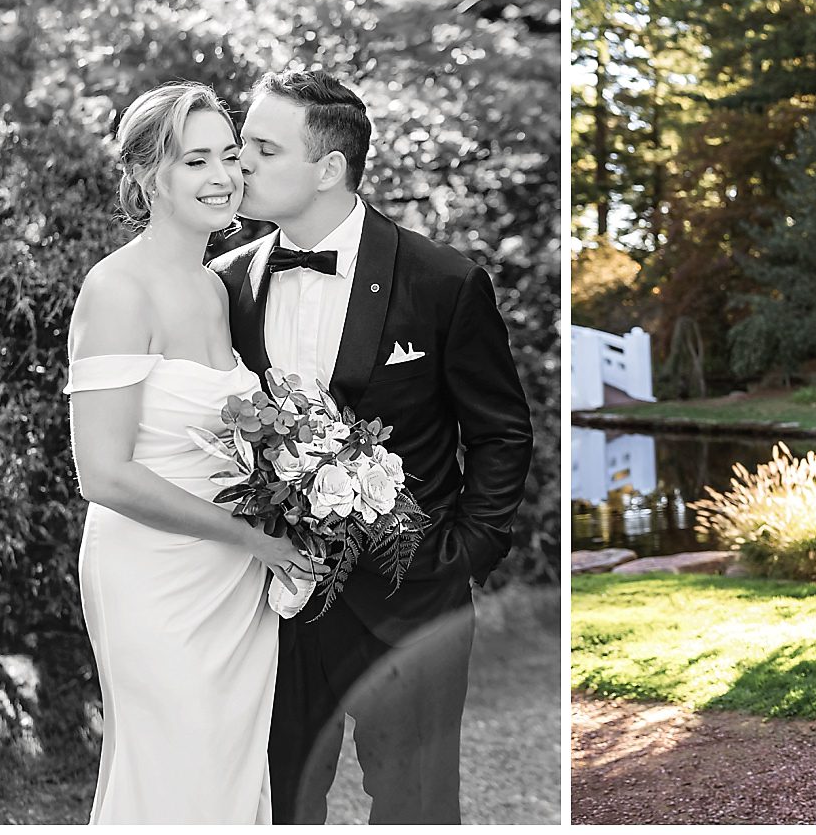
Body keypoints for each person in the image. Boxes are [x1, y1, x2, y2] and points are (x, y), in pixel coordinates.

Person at [209, 69, 534, 824]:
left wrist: (467, 551)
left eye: (261, 147)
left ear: (329, 168)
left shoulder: (443, 281)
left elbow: (500, 431)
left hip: (413, 600)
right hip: (272, 608)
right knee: (279, 805)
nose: (239, 163)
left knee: (414, 809)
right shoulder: (224, 284)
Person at [67, 82, 326, 823]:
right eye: (196, 161)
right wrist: (256, 537)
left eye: (231, 158)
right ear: (150, 177)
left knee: (227, 774)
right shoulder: (117, 290)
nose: (223, 178)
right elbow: (104, 473)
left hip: (234, 582)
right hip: (153, 577)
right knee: (172, 771)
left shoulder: (214, 288)